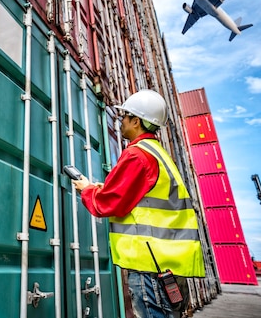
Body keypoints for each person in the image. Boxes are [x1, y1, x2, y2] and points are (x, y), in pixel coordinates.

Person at [71, 89, 205, 318]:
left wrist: (88, 191)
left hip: (149, 267)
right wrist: (102, 188)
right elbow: (140, 198)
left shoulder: (137, 155)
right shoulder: (158, 154)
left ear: (136, 121)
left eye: (125, 116)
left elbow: (109, 203)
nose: (120, 120)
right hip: (168, 264)